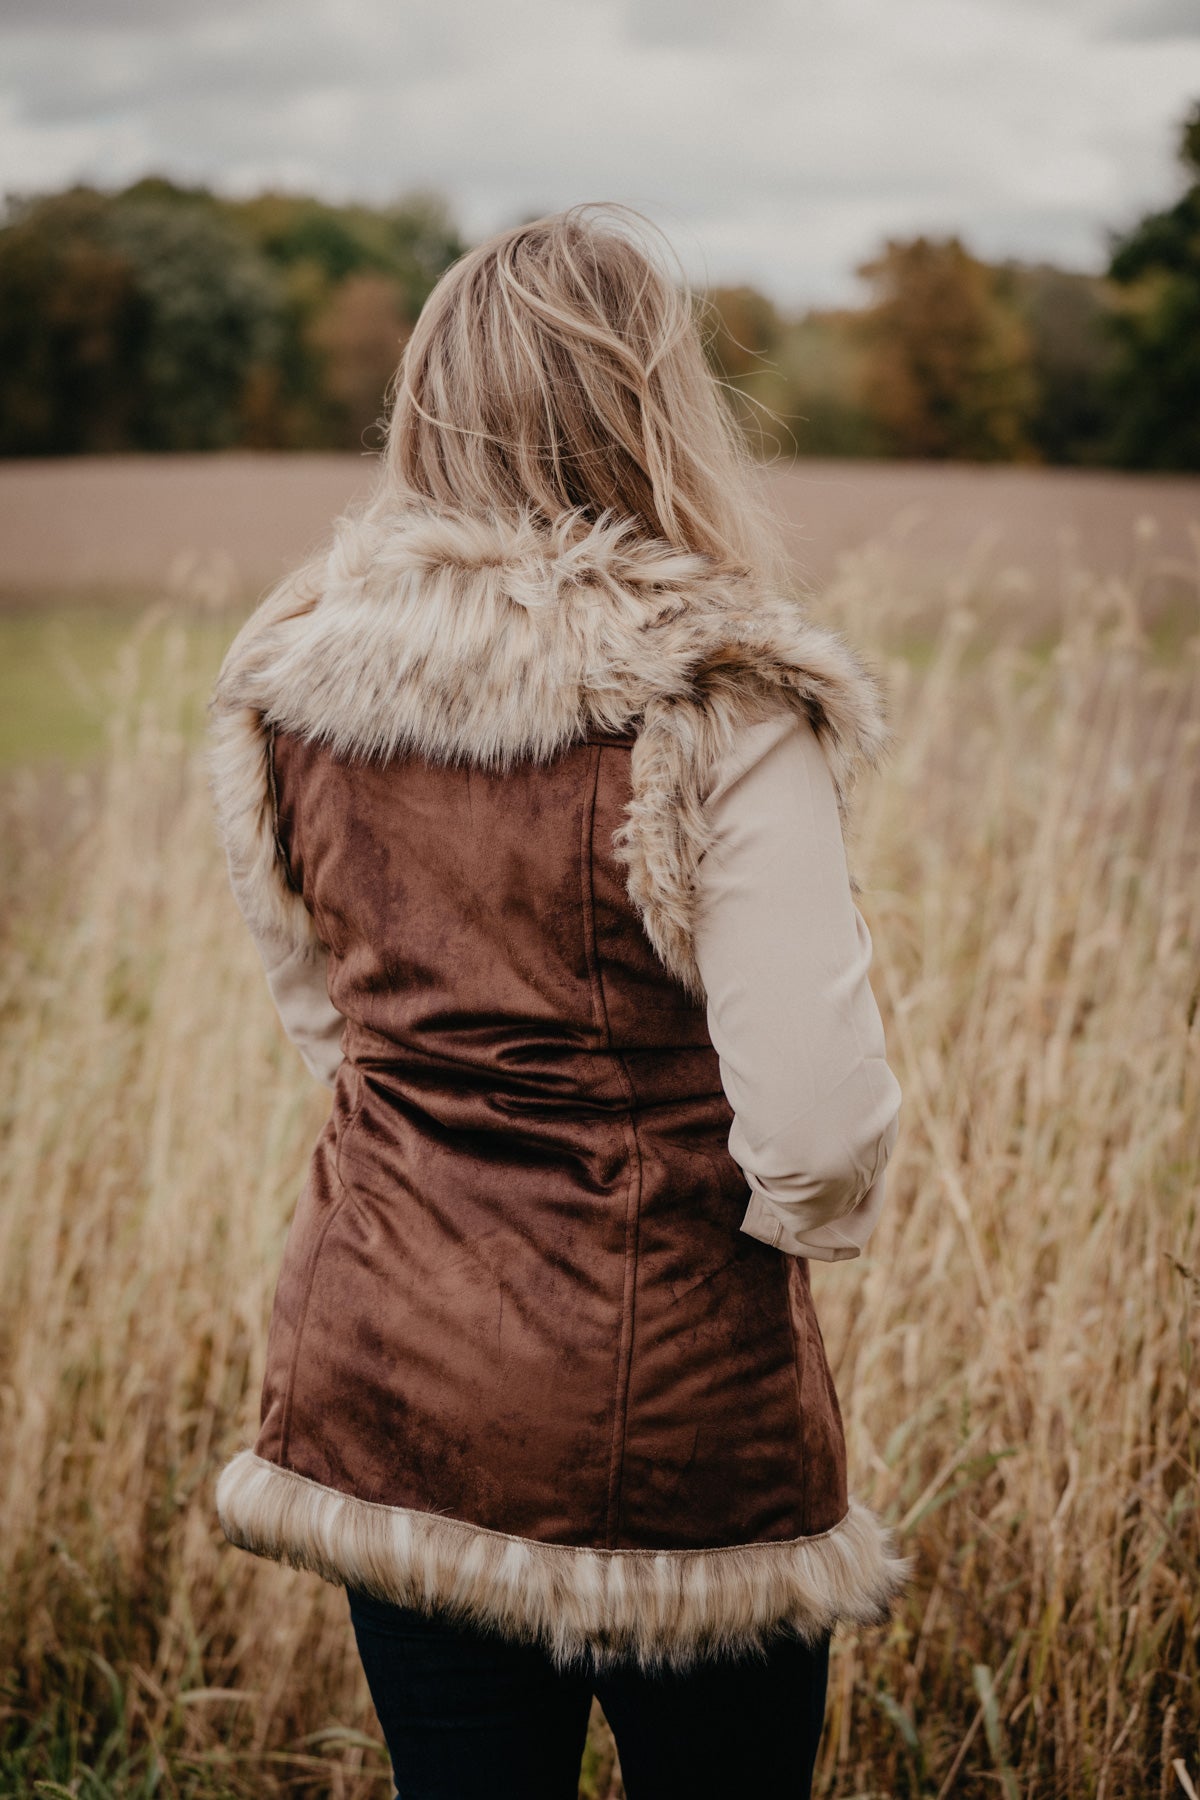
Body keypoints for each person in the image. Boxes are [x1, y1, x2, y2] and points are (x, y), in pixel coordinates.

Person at [207, 202, 909, 1800]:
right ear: (658, 409)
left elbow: (328, 1017)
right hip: (674, 1414)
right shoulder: (716, 697)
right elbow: (810, 1130)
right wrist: (770, 1236)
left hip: (390, 1372)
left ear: (427, 407)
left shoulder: (297, 674)